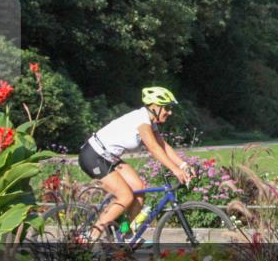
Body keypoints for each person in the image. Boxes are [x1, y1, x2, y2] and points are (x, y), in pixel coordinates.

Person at [77, 86, 193, 242]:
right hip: (93, 155)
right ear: (154, 107)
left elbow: (163, 146)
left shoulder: (150, 122)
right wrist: (175, 170)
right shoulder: (141, 121)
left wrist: (183, 165)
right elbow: (154, 148)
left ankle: (126, 233)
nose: (170, 112)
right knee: (125, 196)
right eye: (166, 107)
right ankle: (90, 236)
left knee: (139, 188)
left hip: (109, 157)